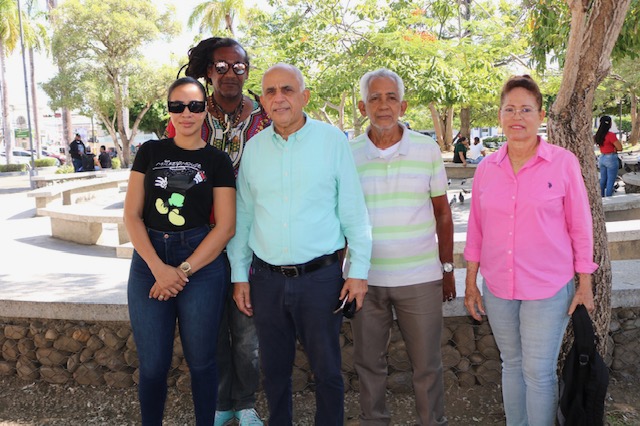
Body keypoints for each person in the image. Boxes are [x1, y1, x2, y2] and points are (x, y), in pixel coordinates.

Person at [227, 63, 372, 425]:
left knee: (328, 371)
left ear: (304, 96)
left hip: (320, 279)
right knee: (274, 372)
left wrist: (359, 271)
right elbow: (244, 216)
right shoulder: (253, 149)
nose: (279, 98)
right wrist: (239, 275)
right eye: (271, 92)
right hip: (266, 280)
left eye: (287, 90)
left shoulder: (332, 142)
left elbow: (353, 210)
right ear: (263, 102)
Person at [463, 75, 598, 425]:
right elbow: (476, 228)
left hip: (548, 287)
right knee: (511, 364)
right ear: (500, 115)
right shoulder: (486, 168)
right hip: (498, 287)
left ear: (540, 115)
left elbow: (580, 225)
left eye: (525, 109)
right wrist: (471, 282)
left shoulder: (563, 162)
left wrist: (584, 283)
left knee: (538, 373)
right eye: (509, 109)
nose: (517, 116)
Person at [169, 36, 271, 426]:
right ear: (209, 71)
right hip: (201, 240)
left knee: (246, 331)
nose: (231, 73)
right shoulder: (189, 114)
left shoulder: (265, 118)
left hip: (252, 240)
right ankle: (221, 402)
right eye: (222, 66)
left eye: (239, 66)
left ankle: (245, 403)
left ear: (247, 71)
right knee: (209, 328)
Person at [124, 76, 236, 426]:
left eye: (195, 105)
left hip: (200, 261)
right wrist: (158, 269)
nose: (186, 113)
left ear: (206, 111)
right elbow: (131, 215)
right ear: (169, 110)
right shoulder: (150, 152)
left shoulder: (217, 160)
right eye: (177, 106)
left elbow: (226, 226)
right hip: (149, 260)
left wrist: (181, 271)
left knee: (202, 362)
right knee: (153, 365)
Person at [350, 68, 454, 426]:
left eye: (391, 97)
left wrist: (447, 269)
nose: (383, 105)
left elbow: (443, 213)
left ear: (403, 105)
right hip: (365, 280)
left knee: (427, 365)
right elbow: (340, 218)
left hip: (420, 279)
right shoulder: (348, 153)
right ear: (362, 107)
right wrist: (343, 273)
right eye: (375, 98)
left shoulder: (426, 149)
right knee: (368, 364)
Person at [595, 115, 622, 197]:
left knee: (603, 180)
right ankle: (609, 198)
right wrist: (614, 149)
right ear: (610, 124)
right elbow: (620, 148)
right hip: (611, 157)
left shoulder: (598, 135)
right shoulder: (611, 135)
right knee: (610, 180)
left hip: (602, 158)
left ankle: (601, 197)